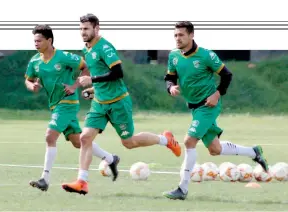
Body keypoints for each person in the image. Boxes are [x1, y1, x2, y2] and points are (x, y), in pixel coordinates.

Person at [61, 14, 181, 195]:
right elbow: (103, 77)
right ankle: (82, 182)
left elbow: (117, 73)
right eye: (80, 29)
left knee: (129, 142)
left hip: (118, 103)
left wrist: (90, 79)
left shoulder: (104, 47)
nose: (82, 32)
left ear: (96, 28)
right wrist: (94, 90)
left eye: (86, 29)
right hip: (100, 104)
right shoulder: (87, 48)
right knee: (85, 138)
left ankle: (165, 139)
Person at [162, 21, 269, 200]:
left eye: (181, 35)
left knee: (189, 141)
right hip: (195, 108)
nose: (177, 38)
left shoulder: (206, 55)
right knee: (214, 149)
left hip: (208, 106)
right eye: (175, 35)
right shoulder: (173, 56)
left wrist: (217, 94)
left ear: (191, 35)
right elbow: (169, 77)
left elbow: (227, 75)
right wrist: (170, 87)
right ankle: (254, 152)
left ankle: (182, 188)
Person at [25, 24, 120, 192]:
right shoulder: (35, 61)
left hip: (67, 104)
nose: (36, 44)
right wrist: (32, 86)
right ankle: (111, 158)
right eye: (34, 41)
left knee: (50, 136)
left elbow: (85, 66)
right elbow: (28, 79)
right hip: (55, 106)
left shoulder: (63, 57)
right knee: (79, 142)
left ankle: (44, 179)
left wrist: (75, 85)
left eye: (39, 40)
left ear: (49, 40)